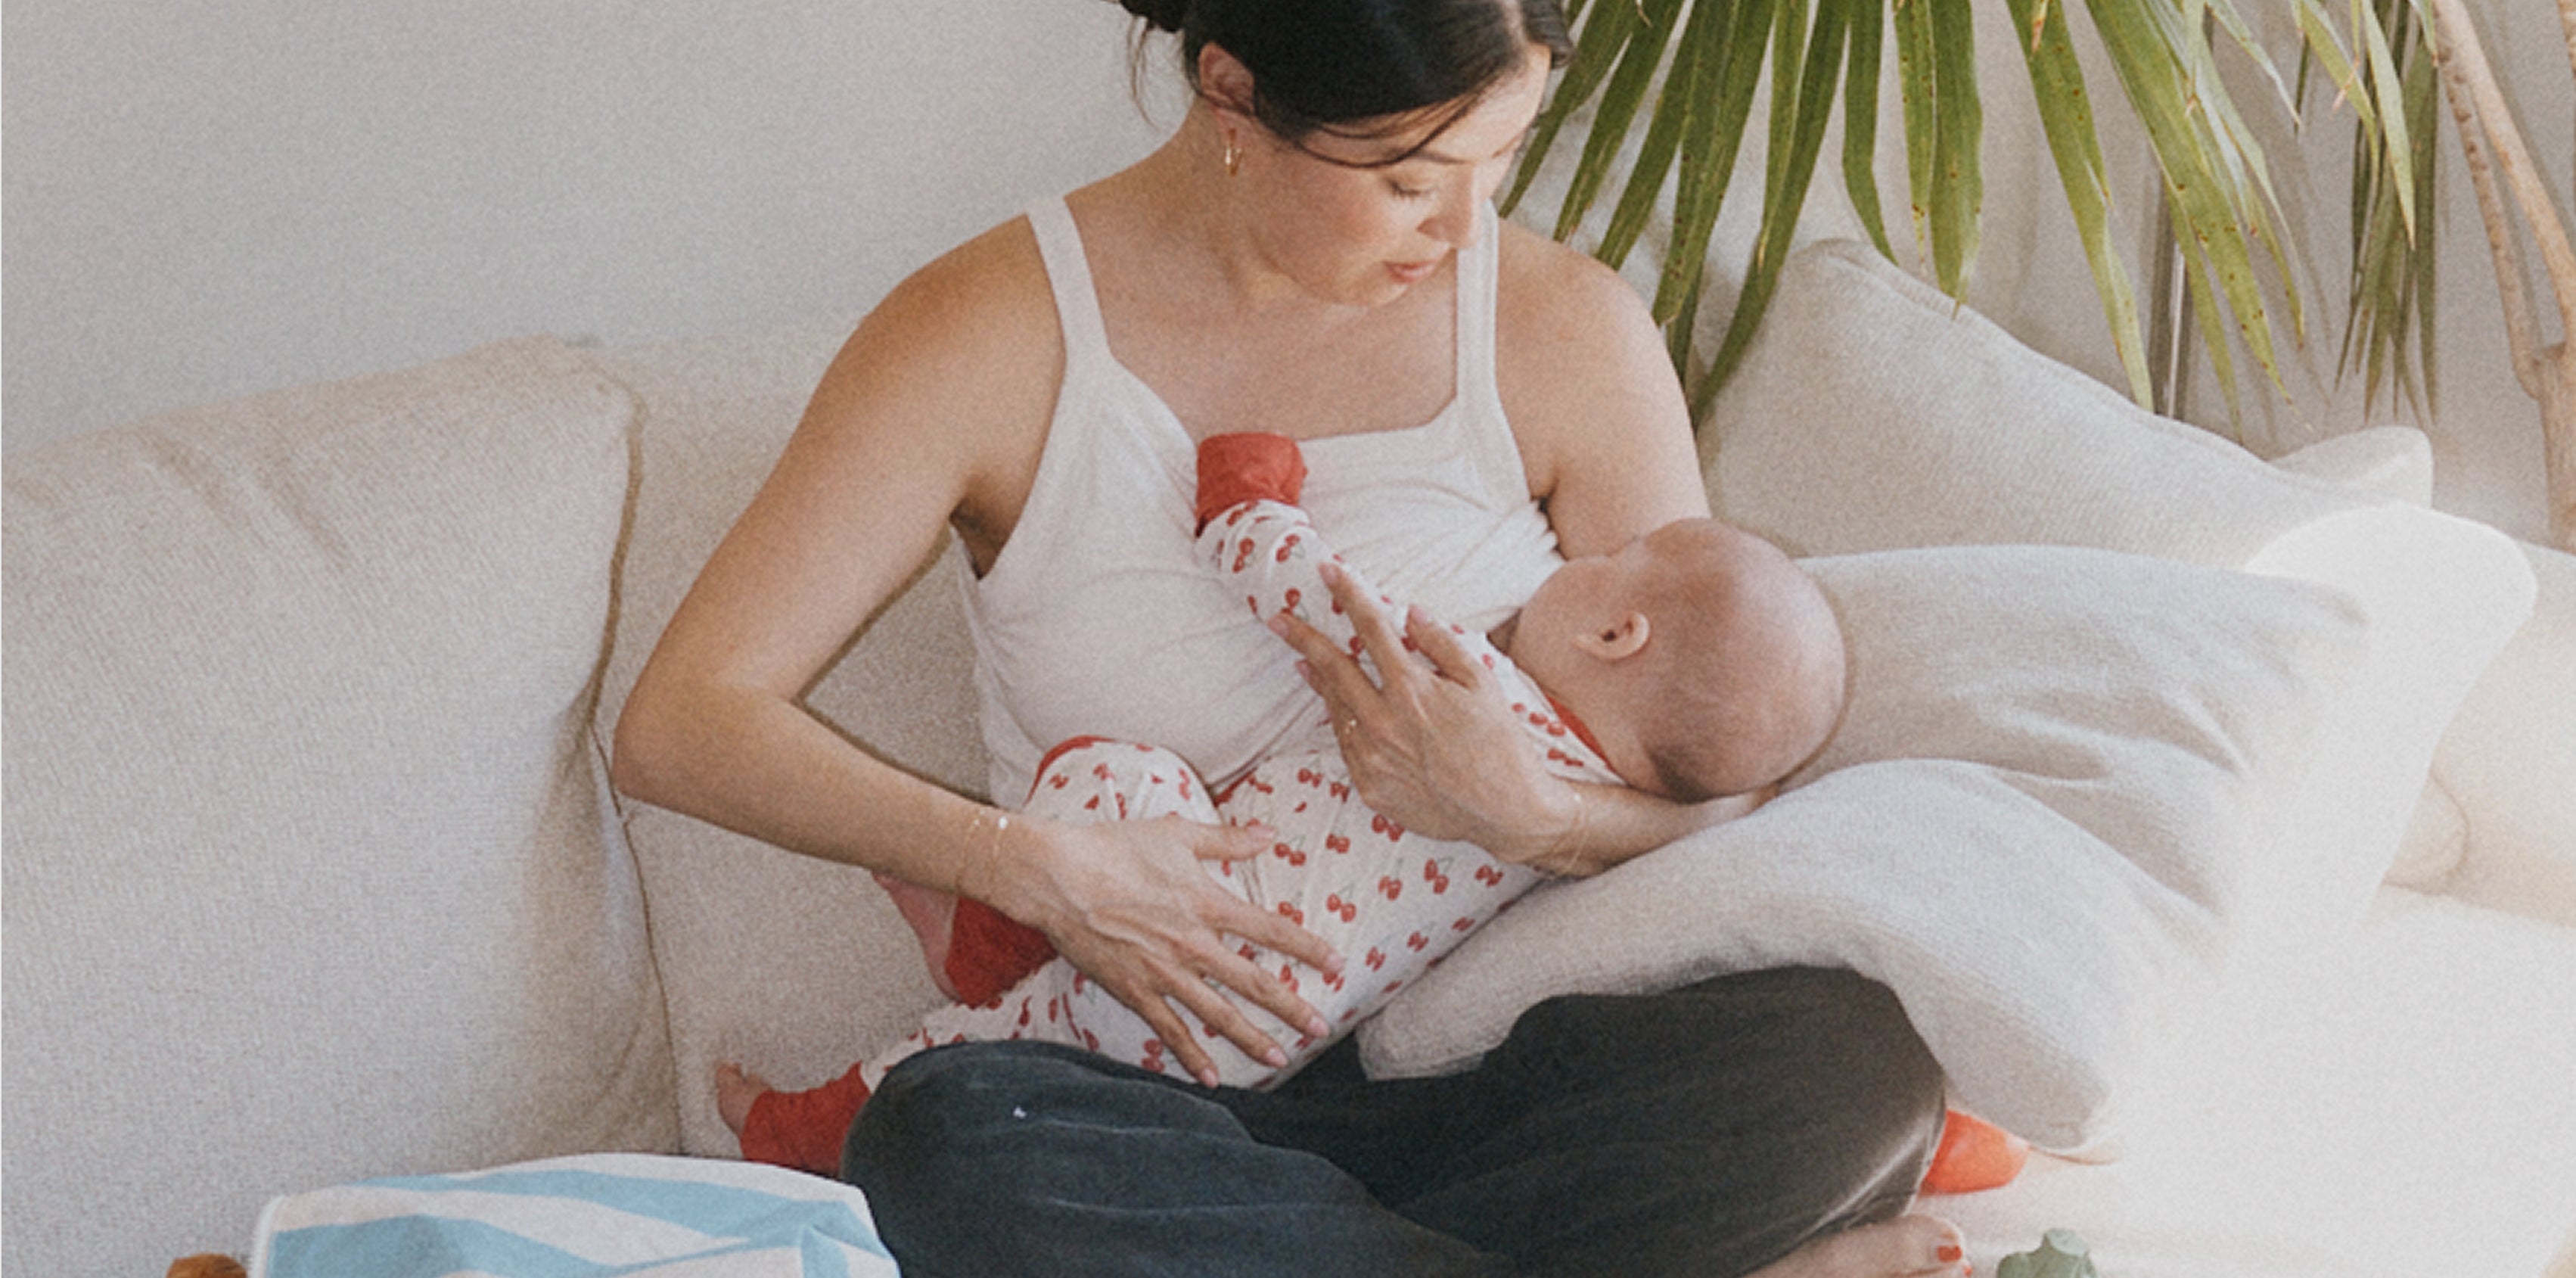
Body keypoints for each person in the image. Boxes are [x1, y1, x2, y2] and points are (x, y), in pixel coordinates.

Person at [611, 1, 1968, 1273]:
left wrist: (1537, 813)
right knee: (947, 1133)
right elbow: (682, 725)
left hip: (1479, 1072)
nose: (1461, 224)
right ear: (1232, 93)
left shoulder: (1566, 329)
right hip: (1161, 1096)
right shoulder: (984, 334)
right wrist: (1036, 869)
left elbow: (1729, 803)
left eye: (1498, 160)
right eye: (1405, 177)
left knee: (1850, 1069)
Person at [715, 431, 1849, 1174]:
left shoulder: (1476, 694)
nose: (1588, 553)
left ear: (1615, 631)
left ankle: (845, 1076)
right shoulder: (1598, 821)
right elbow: (1740, 809)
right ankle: (918, 1009)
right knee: (991, 1046)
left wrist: (1244, 497)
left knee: (1118, 778)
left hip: (1195, 922)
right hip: (1264, 1039)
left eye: (1621, 555)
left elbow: (1317, 607)